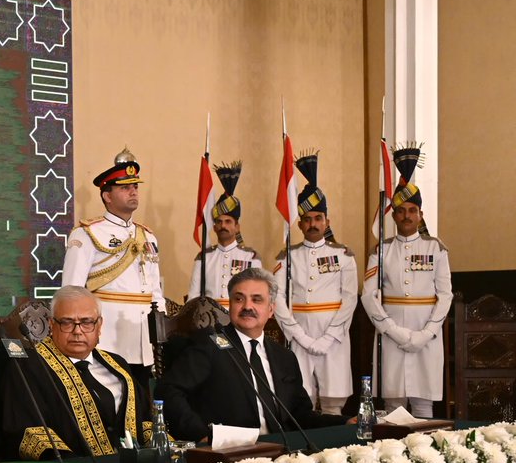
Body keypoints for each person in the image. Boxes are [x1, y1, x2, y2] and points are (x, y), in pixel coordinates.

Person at [156, 268, 345, 442]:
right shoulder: (210, 345)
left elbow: (300, 415)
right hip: (231, 455)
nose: (247, 306)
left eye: (257, 299)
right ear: (230, 304)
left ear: (271, 309)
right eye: (239, 299)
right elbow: (168, 391)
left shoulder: (284, 356)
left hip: (282, 449)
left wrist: (344, 424)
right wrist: (202, 435)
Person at [2, 286, 152, 460]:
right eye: (67, 322)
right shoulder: (28, 367)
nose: (77, 331)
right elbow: (28, 431)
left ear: (99, 325)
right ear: (52, 325)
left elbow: (146, 422)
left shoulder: (118, 364)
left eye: (87, 322)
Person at [61, 147, 165, 391]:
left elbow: (155, 290)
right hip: (108, 337)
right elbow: (71, 292)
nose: (133, 192)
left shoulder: (147, 235)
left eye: (135, 187)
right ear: (107, 196)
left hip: (143, 337)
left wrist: (160, 330)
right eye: (125, 187)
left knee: (142, 404)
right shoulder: (88, 233)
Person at [361, 144, 452, 418]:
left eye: (412, 210)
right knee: (393, 406)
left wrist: (426, 333)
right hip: (391, 334)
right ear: (394, 214)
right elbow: (368, 295)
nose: (407, 216)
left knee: (424, 404)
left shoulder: (436, 248)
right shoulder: (381, 251)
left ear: (420, 214)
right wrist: (392, 330)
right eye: (401, 211)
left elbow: (445, 295)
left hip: (428, 334)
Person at [271, 152, 358, 414]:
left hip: (335, 336)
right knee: (301, 398)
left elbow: (350, 298)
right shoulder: (286, 257)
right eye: (307, 219)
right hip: (299, 334)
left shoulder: (343, 255)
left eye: (318, 218)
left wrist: (329, 336)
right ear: (299, 223)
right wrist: (300, 336)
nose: (312, 224)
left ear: (327, 221)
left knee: (334, 402)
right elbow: (278, 299)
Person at [187, 161, 263, 306]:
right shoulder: (204, 257)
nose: (223, 226)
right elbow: (193, 296)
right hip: (210, 322)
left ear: (237, 227)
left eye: (228, 222)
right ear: (214, 227)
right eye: (219, 222)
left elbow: (256, 295)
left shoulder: (251, 257)